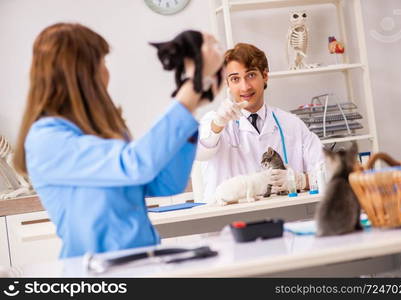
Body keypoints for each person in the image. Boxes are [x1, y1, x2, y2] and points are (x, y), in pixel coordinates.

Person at [13, 23, 223, 258]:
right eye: (101, 63)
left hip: (145, 261)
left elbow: (166, 184)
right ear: (79, 72)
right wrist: (189, 92)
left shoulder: (101, 130)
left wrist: (191, 107)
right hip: (98, 275)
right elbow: (134, 165)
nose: (107, 73)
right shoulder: (47, 139)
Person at [196, 43, 324, 202]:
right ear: (227, 84)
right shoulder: (215, 122)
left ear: (265, 76)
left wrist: (302, 180)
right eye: (235, 79)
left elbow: (328, 172)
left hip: (285, 215)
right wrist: (218, 125)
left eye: (251, 75)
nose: (245, 87)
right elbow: (199, 153)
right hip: (230, 219)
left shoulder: (292, 124)